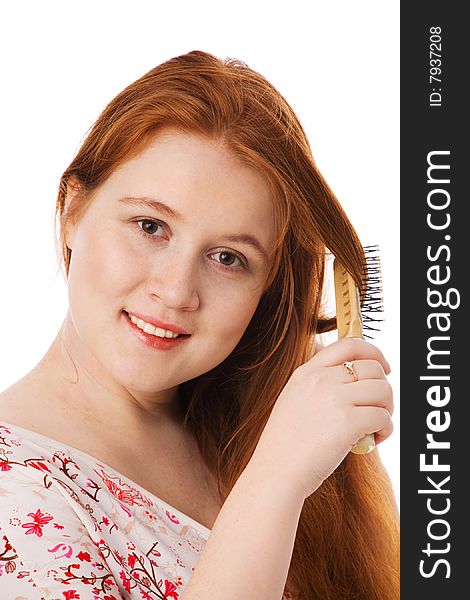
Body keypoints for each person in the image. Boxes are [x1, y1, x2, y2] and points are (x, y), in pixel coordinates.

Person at [0, 50, 399, 599]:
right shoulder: (17, 490)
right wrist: (275, 482)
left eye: (229, 258)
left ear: (267, 288)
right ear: (73, 211)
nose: (176, 291)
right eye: (150, 226)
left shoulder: (265, 430)